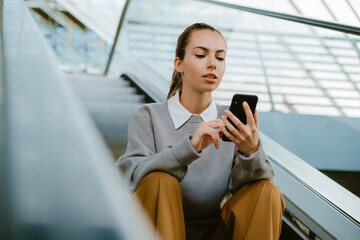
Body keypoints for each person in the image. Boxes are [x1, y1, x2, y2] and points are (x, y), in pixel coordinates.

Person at [116, 23, 285, 240]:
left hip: (216, 233)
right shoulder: (148, 116)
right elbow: (129, 177)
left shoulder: (230, 120)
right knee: (159, 180)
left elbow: (253, 191)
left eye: (220, 58)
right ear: (179, 64)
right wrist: (188, 148)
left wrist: (251, 152)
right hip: (157, 232)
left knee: (267, 191)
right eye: (201, 55)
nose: (212, 64)